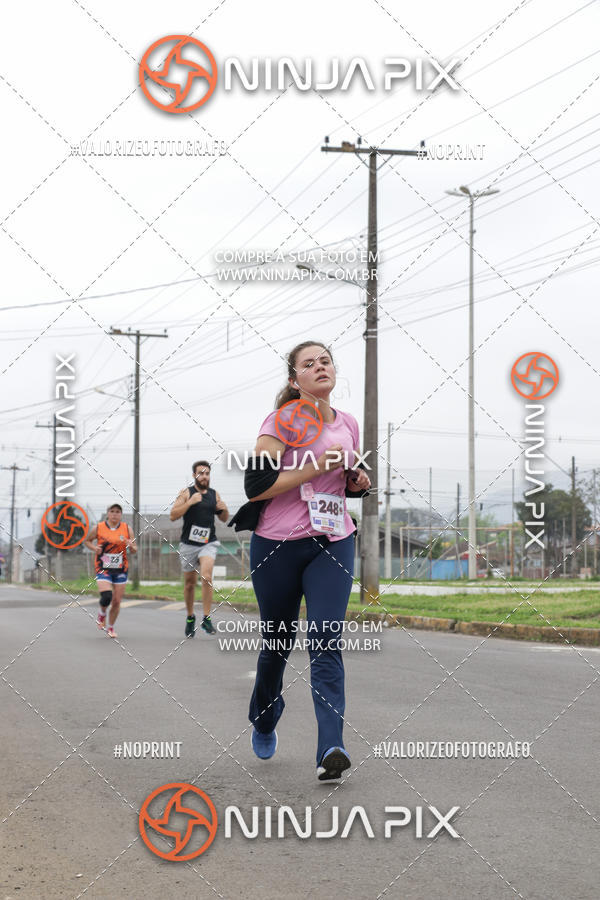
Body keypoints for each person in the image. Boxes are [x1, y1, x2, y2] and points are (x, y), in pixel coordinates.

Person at [241, 340, 370, 780]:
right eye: (308, 364)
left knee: (326, 637)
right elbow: (256, 486)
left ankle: (330, 745)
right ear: (294, 380)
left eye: (326, 360)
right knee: (276, 646)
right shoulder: (281, 421)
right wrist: (316, 467)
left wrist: (357, 481)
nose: (320, 367)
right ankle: (264, 715)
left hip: (333, 540)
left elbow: (347, 481)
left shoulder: (348, 423)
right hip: (276, 545)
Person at [170, 460, 229, 638]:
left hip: (208, 542)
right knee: (189, 584)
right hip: (188, 544)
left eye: (207, 473)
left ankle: (206, 617)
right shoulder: (186, 493)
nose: (204, 476)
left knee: (206, 577)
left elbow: (224, 518)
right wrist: (189, 503)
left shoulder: (214, 494)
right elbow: (173, 515)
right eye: (200, 473)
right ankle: (190, 617)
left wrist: (224, 509)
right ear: (195, 475)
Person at [84, 503, 137, 639]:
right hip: (103, 567)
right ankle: (102, 613)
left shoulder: (127, 528)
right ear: (108, 513)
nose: (114, 514)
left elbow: (134, 549)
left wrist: (131, 546)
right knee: (107, 596)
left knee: (117, 601)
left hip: (120, 568)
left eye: (117, 512)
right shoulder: (99, 527)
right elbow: (87, 541)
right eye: (112, 511)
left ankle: (111, 627)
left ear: (121, 514)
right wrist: (94, 548)